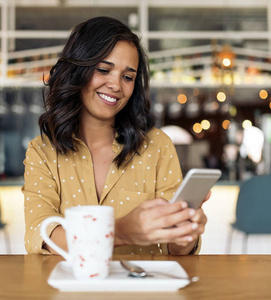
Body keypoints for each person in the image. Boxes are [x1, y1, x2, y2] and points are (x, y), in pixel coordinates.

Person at [22, 16, 210, 256]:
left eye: (128, 77)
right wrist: (119, 231)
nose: (116, 85)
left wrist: (184, 232)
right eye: (103, 70)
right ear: (77, 71)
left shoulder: (158, 146)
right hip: (70, 291)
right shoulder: (42, 151)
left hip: (142, 290)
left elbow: (174, 247)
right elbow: (41, 235)